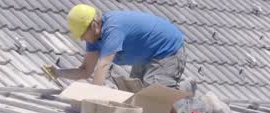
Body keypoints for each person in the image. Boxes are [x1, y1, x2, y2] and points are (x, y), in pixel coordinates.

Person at [44, 5, 187, 90]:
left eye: (82, 34)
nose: (81, 38)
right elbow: (85, 71)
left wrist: (92, 100)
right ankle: (180, 88)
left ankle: (204, 104)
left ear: (94, 25)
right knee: (136, 95)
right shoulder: (93, 38)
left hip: (167, 49)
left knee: (156, 97)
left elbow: (103, 65)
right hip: (146, 55)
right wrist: (58, 73)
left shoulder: (113, 28)